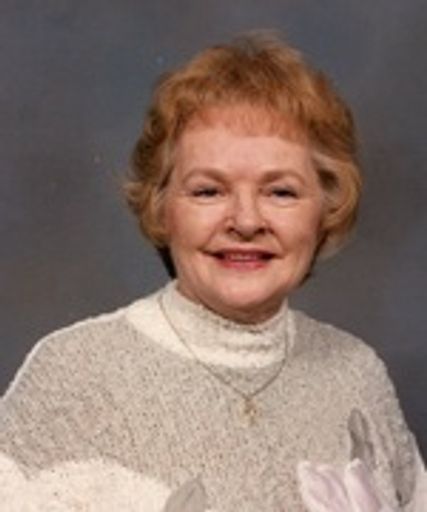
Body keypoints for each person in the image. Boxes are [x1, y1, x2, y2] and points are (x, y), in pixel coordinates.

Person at [0, 33, 424, 511]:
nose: (245, 221)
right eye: (208, 191)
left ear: (325, 208)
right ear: (161, 207)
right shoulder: (73, 376)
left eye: (280, 192)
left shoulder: (357, 376)